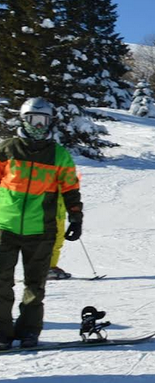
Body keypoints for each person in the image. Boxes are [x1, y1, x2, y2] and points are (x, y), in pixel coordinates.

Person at [0, 98, 83, 349]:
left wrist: (76, 216)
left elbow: (70, 188)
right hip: (5, 227)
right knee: (1, 283)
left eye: (43, 120)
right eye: (33, 119)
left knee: (35, 285)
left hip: (42, 228)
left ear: (49, 122)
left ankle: (28, 331)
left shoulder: (58, 154)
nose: (38, 125)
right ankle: (2, 333)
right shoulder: (7, 149)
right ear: (23, 120)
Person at [48, 193, 71, 280]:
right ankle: (45, 268)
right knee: (48, 241)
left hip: (60, 214)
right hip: (48, 214)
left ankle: (51, 266)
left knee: (58, 241)